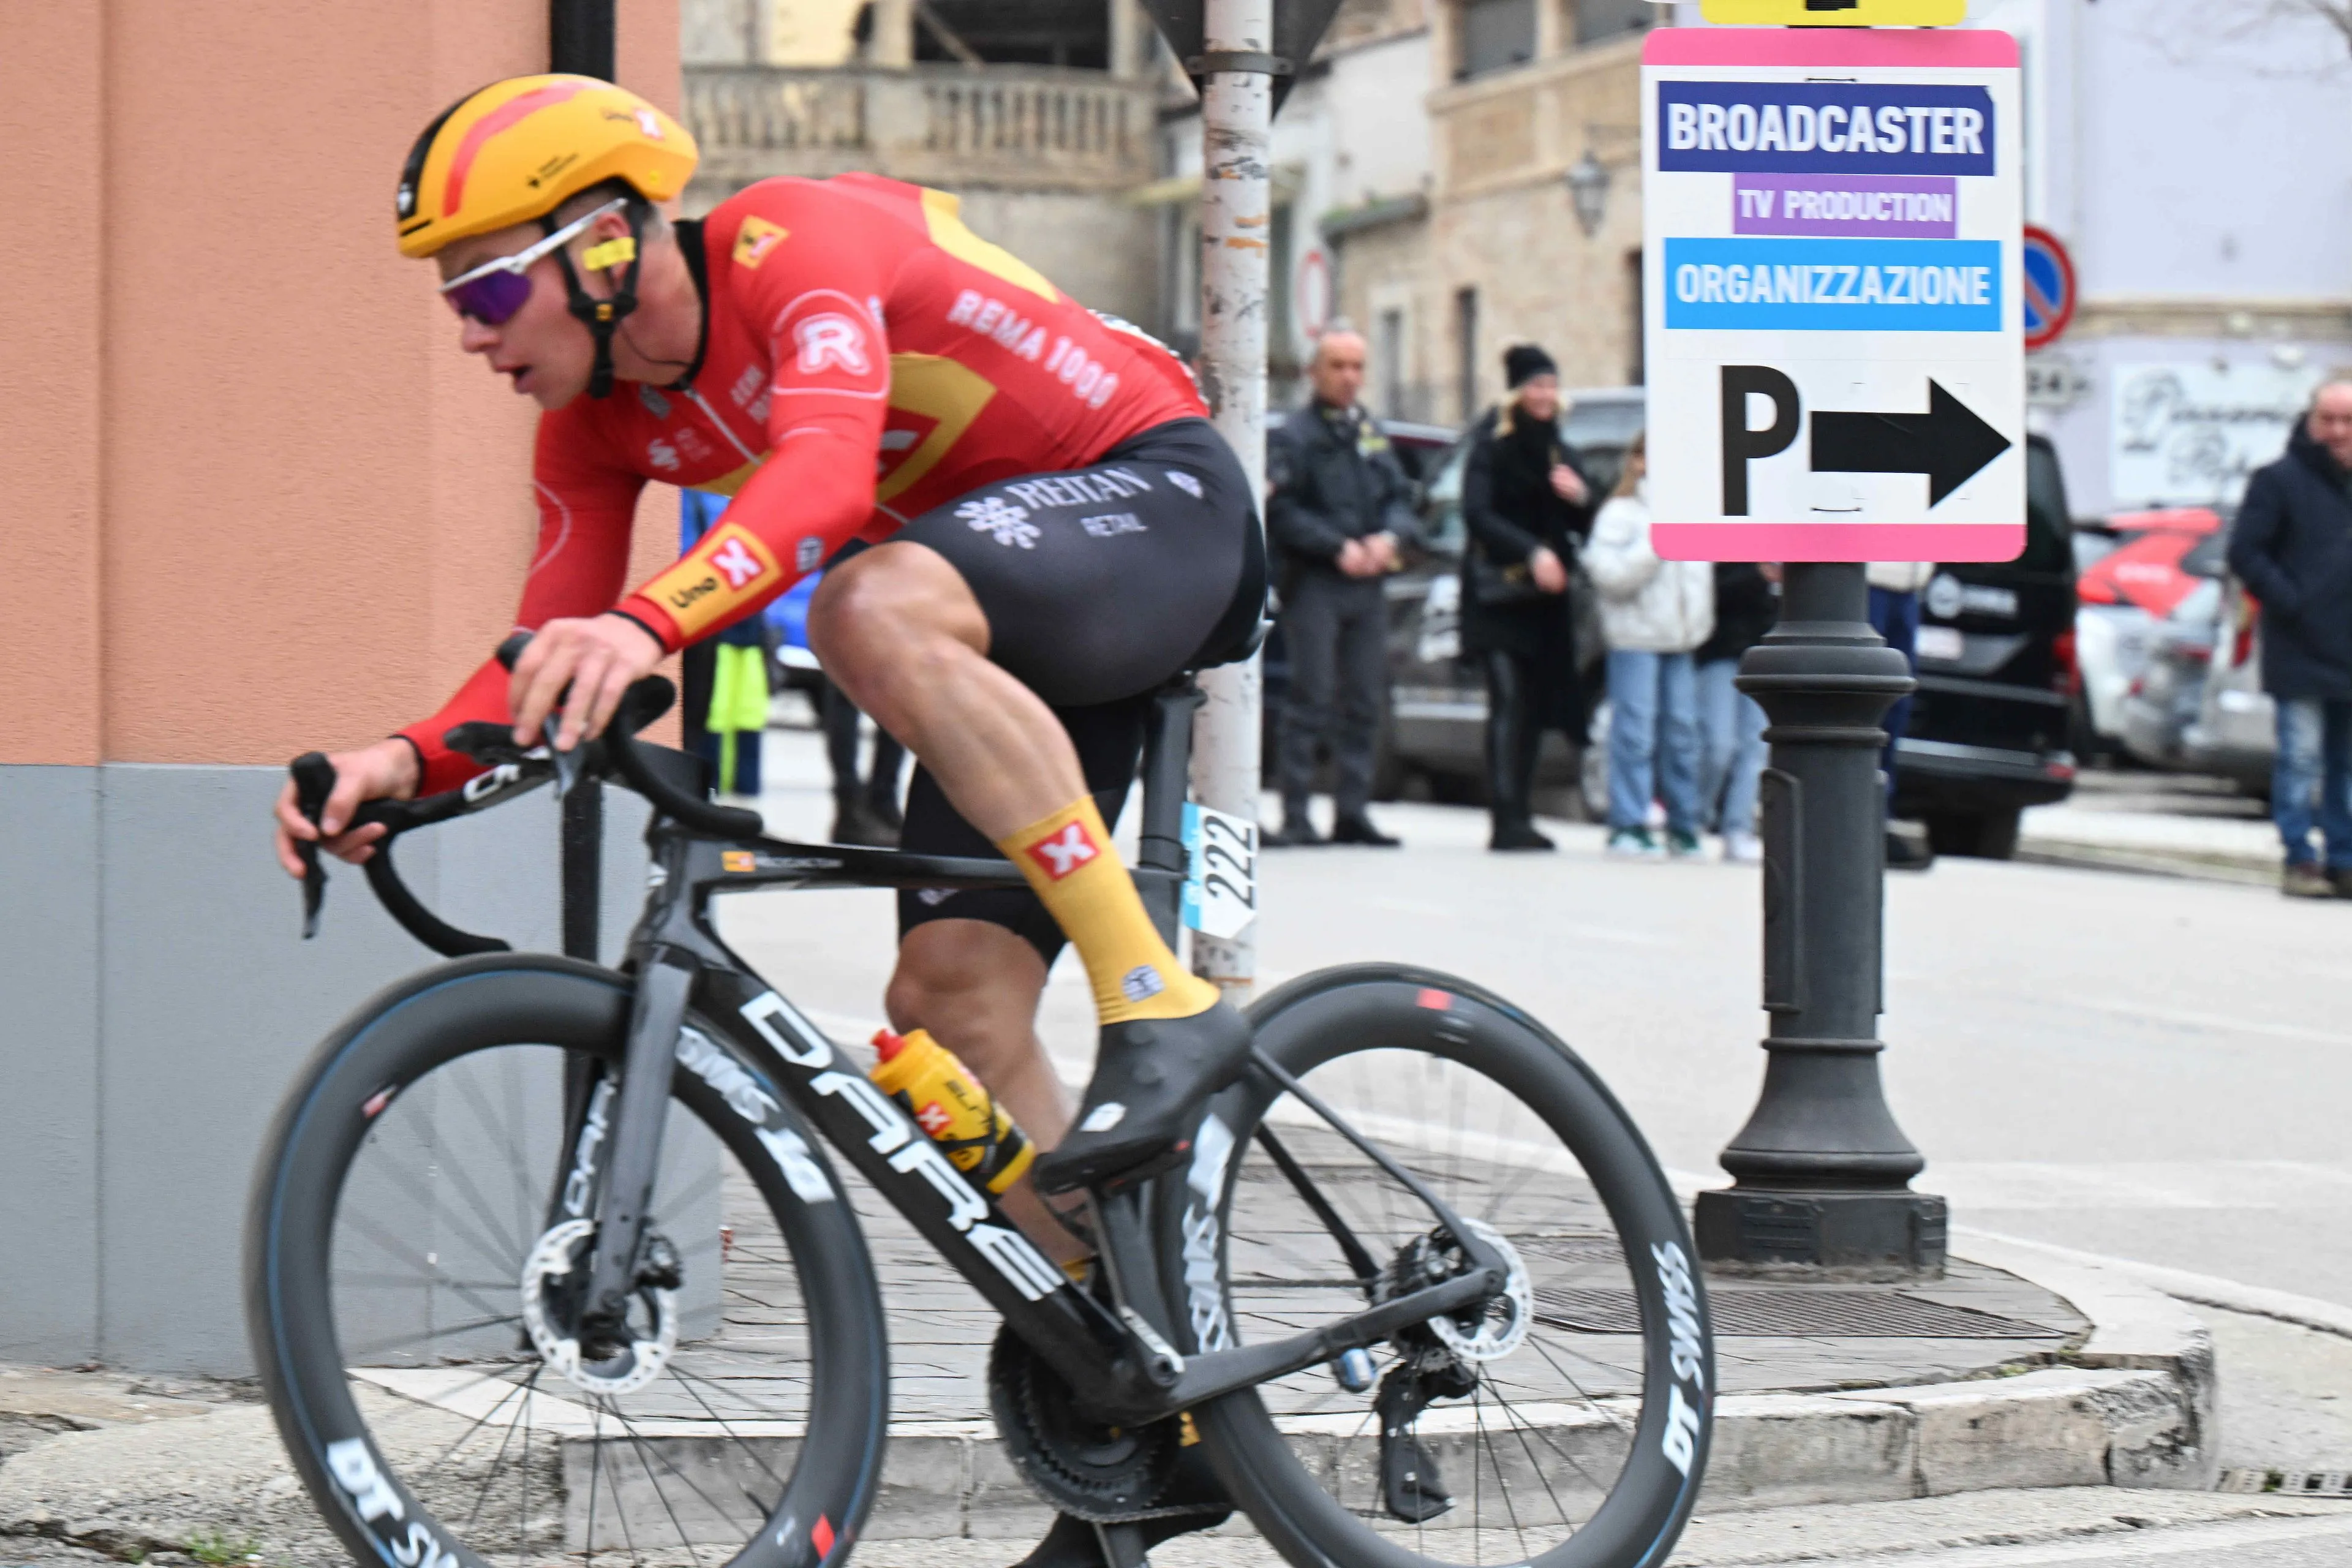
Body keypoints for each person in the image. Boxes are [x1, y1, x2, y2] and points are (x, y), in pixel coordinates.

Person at [266, 77, 1259, 1564]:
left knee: (862, 602)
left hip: (1150, 500)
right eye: (455, 298)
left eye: (485, 286)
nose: (469, 329)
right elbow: (542, 647)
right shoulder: (599, 426)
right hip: (992, 630)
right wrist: (400, 762)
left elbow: (822, 480)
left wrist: (645, 624)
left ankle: (1156, 995)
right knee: (950, 1014)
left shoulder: (794, 244)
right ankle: (1151, 1387)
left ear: (605, 245)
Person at [1265, 326, 1422, 847]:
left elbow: (1401, 495)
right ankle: (1297, 813)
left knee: (1365, 699)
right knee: (1310, 696)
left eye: (1357, 367)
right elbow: (1283, 510)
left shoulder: (1368, 430)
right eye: (1338, 366)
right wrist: (1337, 546)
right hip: (1316, 582)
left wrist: (1388, 537)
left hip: (1367, 585)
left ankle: (1352, 811)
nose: (1350, 377)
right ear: (1314, 372)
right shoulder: (1295, 435)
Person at [1461, 344, 1594, 850]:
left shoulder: (1562, 452)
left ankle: (1521, 812)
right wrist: (1532, 551)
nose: (1545, 395)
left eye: (1551, 385)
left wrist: (1582, 497)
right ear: (1517, 392)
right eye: (1537, 385)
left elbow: (1590, 522)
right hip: (1498, 597)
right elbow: (1477, 514)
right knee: (1509, 700)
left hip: (1544, 603)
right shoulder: (1491, 447)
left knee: (1535, 708)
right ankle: (1503, 816)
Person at [2226, 380, 2352, 898]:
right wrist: (2291, 600)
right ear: (2310, 421)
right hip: (2299, 648)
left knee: (2347, 765)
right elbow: (2245, 552)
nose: (2338, 431)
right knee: (2300, 757)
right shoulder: (2279, 480)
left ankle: (2344, 861)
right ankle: (2299, 857)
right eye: (2328, 419)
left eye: (2348, 421)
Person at [1581, 433, 1713, 858]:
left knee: (1683, 734)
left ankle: (1683, 825)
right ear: (1638, 461)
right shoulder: (1620, 513)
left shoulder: (1694, 512)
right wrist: (1656, 545)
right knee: (1635, 732)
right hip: (1635, 637)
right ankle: (1629, 822)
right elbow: (1607, 574)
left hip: (1681, 638)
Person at [1694, 562, 1777, 864]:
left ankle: (1738, 828)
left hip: (1766, 654)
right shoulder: (1729, 551)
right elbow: (1710, 591)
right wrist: (1757, 575)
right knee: (1718, 744)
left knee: (1755, 748)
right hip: (1721, 649)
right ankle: (1694, 818)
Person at [1866, 561, 1936, 870]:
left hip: (1908, 586)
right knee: (1868, 701)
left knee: (1895, 706)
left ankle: (1878, 816)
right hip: (1869, 582)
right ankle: (1860, 817)